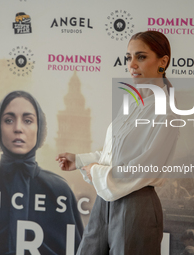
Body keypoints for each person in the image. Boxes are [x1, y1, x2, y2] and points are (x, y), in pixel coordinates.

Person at [56, 31, 179, 255]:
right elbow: (114, 153)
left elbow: (143, 168)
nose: (132, 64)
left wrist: (96, 172)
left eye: (140, 57)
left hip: (136, 205)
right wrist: (81, 160)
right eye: (128, 57)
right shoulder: (131, 104)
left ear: (163, 62)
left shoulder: (168, 112)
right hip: (105, 200)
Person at [0, 91, 83, 255]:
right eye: (9, 120)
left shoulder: (59, 190)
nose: (18, 128)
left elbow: (78, 249)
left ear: (39, 129)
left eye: (28, 120)